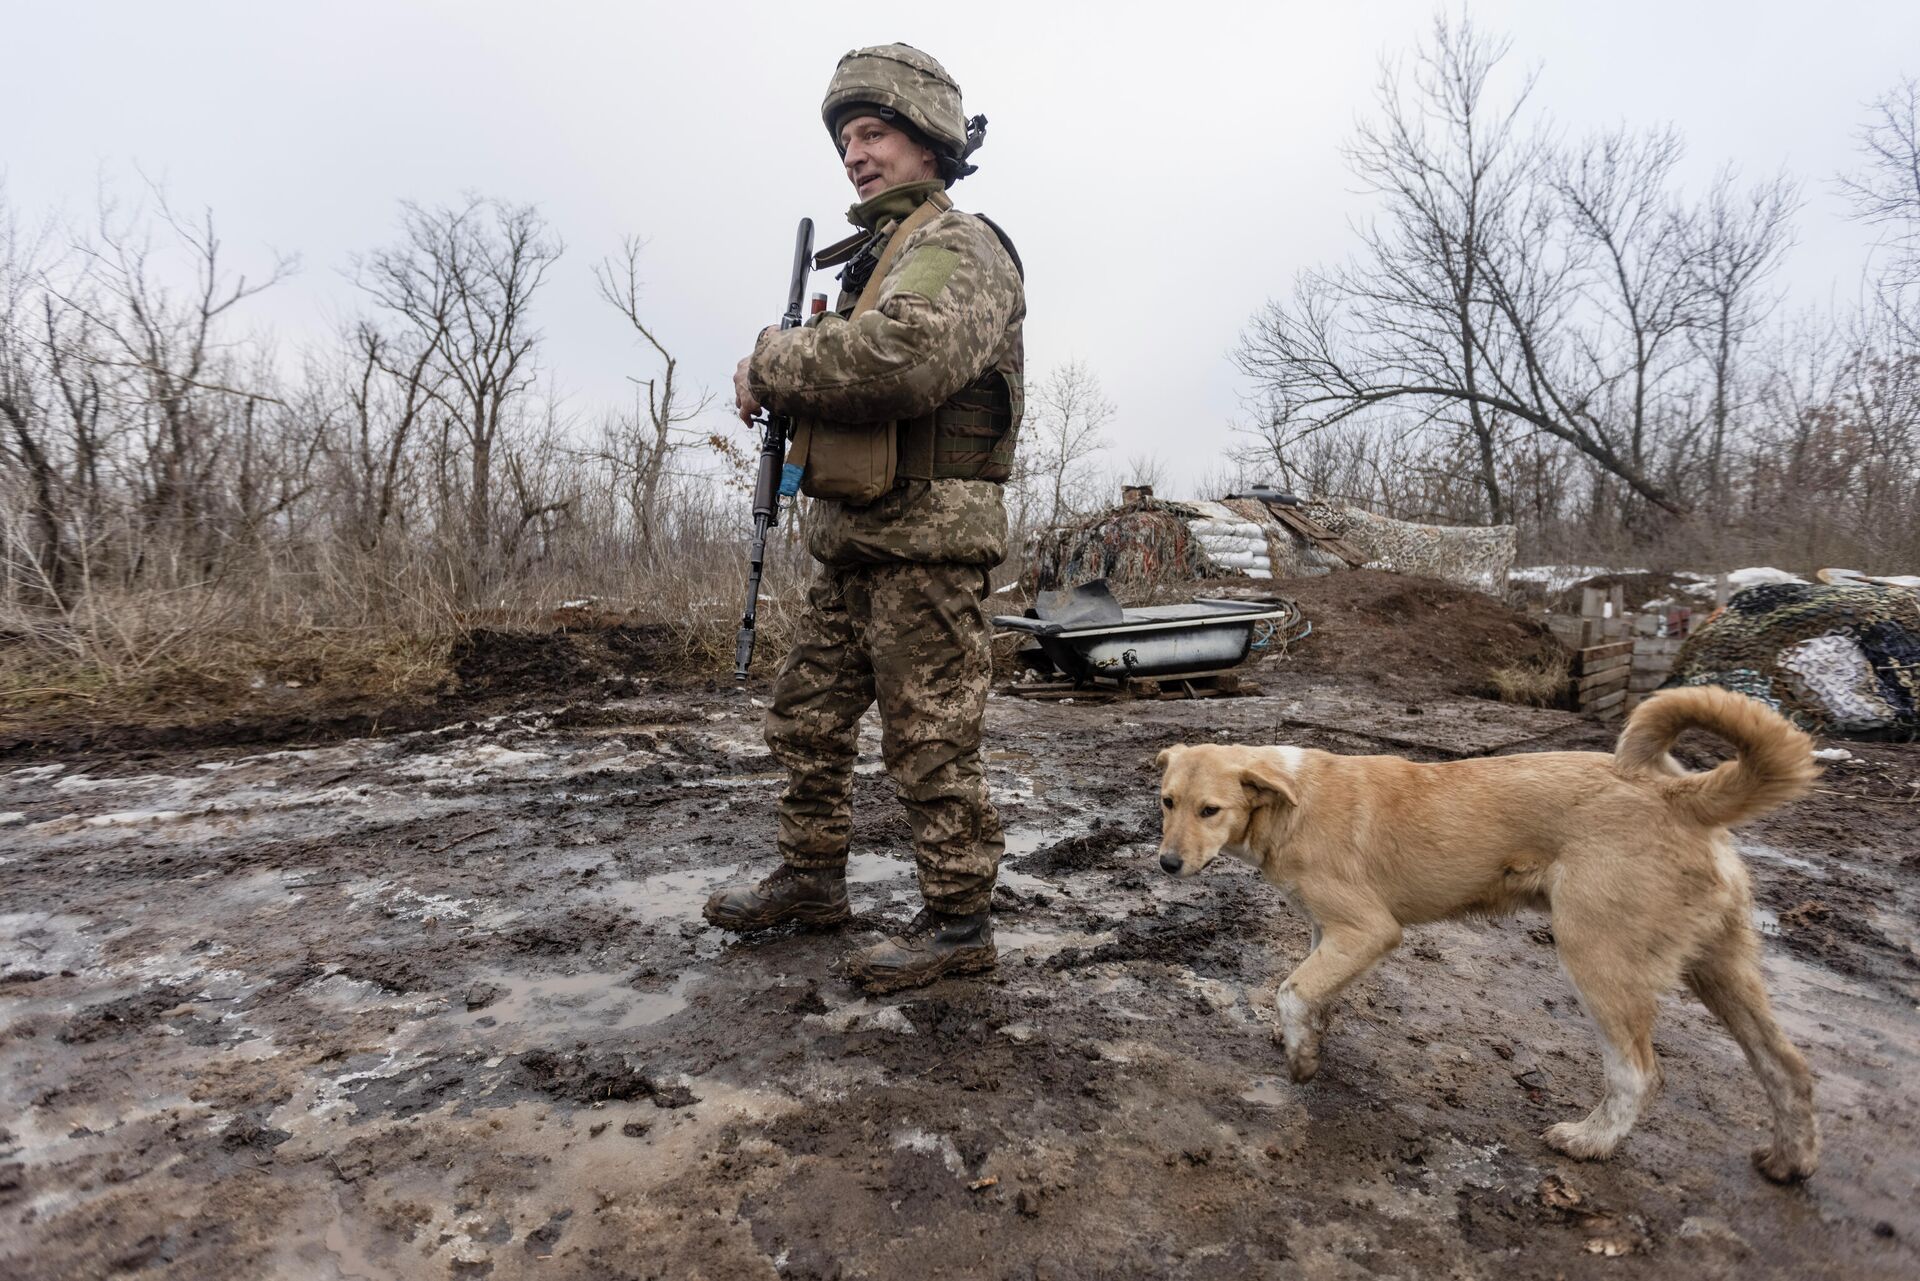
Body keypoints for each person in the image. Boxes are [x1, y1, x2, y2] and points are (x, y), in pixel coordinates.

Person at [704, 43, 1025, 995]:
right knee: (807, 723)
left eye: (874, 133)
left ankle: (960, 920)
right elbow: (850, 370)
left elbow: (905, 360)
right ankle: (811, 882)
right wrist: (786, 378)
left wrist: (775, 359)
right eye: (847, 139)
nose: (855, 154)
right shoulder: (874, 263)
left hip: (926, 550)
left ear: (927, 142)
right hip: (853, 542)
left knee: (930, 741)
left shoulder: (960, 248)